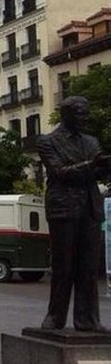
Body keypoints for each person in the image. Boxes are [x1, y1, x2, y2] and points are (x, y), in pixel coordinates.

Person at [37, 96, 110, 332]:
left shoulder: (91, 141)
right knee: (63, 265)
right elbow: (59, 172)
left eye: (86, 113)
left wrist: (104, 165)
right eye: (80, 113)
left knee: (88, 267)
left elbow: (96, 171)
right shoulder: (48, 141)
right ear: (66, 114)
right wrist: (91, 164)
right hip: (63, 207)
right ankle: (55, 317)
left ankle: (88, 319)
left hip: (89, 207)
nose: (84, 118)